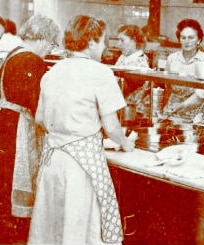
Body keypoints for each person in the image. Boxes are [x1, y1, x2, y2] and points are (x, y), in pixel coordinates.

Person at [28, 15, 135, 245]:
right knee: (78, 232)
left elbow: (39, 119)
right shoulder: (101, 73)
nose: (105, 47)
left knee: (52, 231)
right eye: (103, 41)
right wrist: (127, 143)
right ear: (91, 41)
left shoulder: (51, 73)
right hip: (81, 167)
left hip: (52, 162)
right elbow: (112, 128)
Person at [0, 14, 60, 244]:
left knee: (5, 184)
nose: (50, 50)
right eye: (52, 44)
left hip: (6, 120)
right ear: (43, 38)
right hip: (19, 128)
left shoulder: (12, 54)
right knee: (17, 179)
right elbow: (40, 106)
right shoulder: (32, 60)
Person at [162, 18, 204, 120]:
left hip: (197, 112)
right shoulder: (172, 58)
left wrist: (183, 105)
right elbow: (167, 87)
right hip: (173, 109)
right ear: (179, 39)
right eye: (183, 38)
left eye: (191, 38)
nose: (187, 41)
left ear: (199, 40)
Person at [115, 24, 150, 117]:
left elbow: (124, 88)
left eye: (122, 40)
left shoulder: (140, 62)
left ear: (134, 40)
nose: (118, 44)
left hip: (133, 112)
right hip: (120, 107)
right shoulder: (123, 57)